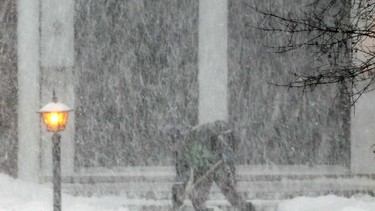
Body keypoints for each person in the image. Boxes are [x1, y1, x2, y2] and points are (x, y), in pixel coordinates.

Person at [164, 120, 255, 211]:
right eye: (169, 145)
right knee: (196, 198)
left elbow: (217, 133)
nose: (171, 147)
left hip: (218, 163)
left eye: (172, 143)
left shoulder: (196, 134)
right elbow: (182, 177)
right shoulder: (181, 155)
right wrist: (176, 198)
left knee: (229, 191)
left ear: (177, 139)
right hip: (201, 169)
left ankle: (246, 208)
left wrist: (223, 149)